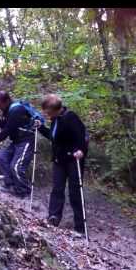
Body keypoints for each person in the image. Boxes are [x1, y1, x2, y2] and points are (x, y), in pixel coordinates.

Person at [36, 94, 88, 234]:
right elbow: (54, 138)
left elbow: (82, 136)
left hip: (73, 160)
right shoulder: (55, 119)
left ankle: (80, 227)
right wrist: (41, 128)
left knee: (75, 192)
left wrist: (81, 150)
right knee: (57, 189)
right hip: (59, 160)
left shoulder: (71, 117)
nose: (45, 113)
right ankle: (54, 217)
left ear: (54, 109)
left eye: (46, 111)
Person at [0, 91, 39, 198]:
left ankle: (24, 192)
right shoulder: (7, 110)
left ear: (6, 101)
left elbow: (7, 130)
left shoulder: (16, 110)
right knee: (2, 158)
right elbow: (5, 126)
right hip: (16, 141)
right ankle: (10, 186)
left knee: (16, 167)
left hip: (26, 141)